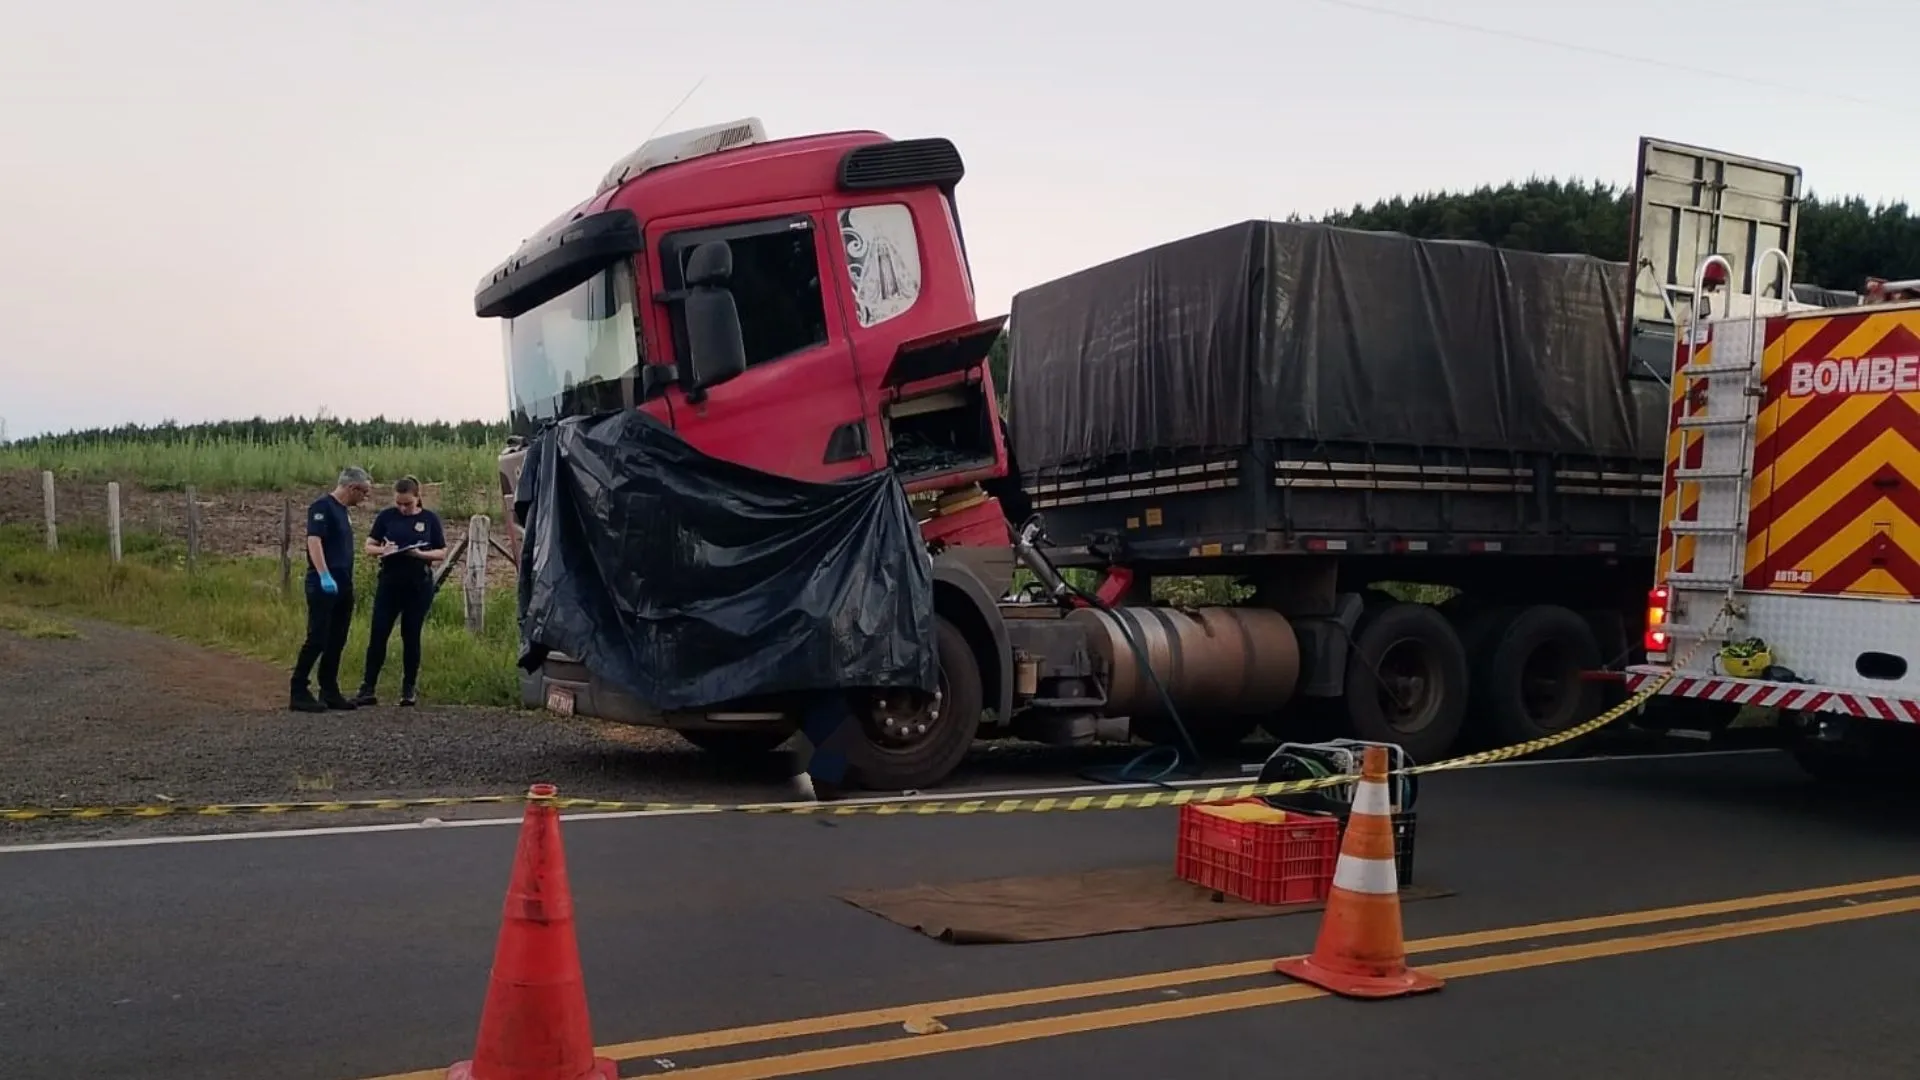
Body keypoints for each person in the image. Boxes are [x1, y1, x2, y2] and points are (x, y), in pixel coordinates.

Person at [353, 476, 447, 707]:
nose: (403, 508)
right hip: (390, 582)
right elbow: (368, 546)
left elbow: (441, 552)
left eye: (408, 504)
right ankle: (368, 687)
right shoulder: (386, 517)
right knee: (378, 634)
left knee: (411, 636)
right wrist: (383, 550)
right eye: (399, 503)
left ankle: (408, 688)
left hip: (417, 585)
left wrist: (420, 554)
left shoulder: (429, 519)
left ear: (418, 498)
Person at [290, 466, 372, 712]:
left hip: (343, 583)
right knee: (318, 637)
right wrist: (324, 574)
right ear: (352, 488)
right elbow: (314, 541)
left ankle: (329, 688)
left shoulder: (343, 511)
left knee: (337, 638)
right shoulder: (322, 507)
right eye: (364, 492)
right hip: (324, 582)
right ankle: (298, 689)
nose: (364, 498)